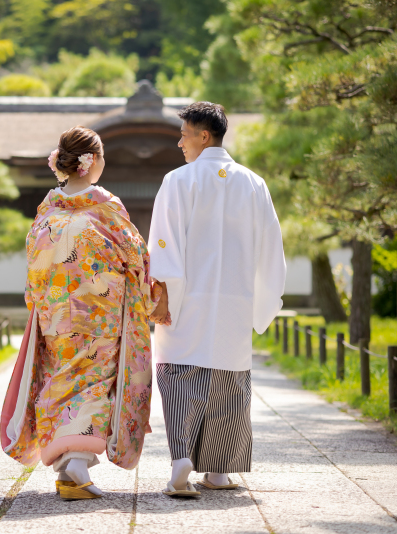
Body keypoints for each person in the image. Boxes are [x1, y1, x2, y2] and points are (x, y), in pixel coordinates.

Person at [0, 126, 168, 500]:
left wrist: (41, 301)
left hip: (55, 315)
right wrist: (153, 296)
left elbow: (34, 262)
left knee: (60, 380)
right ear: (91, 162)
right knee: (92, 382)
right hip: (99, 316)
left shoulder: (47, 211)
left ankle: (66, 469)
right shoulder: (105, 207)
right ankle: (77, 461)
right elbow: (136, 255)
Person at [148, 102, 286, 497]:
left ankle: (181, 460)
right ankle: (220, 471)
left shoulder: (178, 180)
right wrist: (264, 300)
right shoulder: (254, 183)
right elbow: (271, 248)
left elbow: (164, 242)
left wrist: (163, 295)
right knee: (230, 382)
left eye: (184, 135)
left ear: (203, 136)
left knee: (180, 376)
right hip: (235, 301)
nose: (180, 143)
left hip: (188, 297)